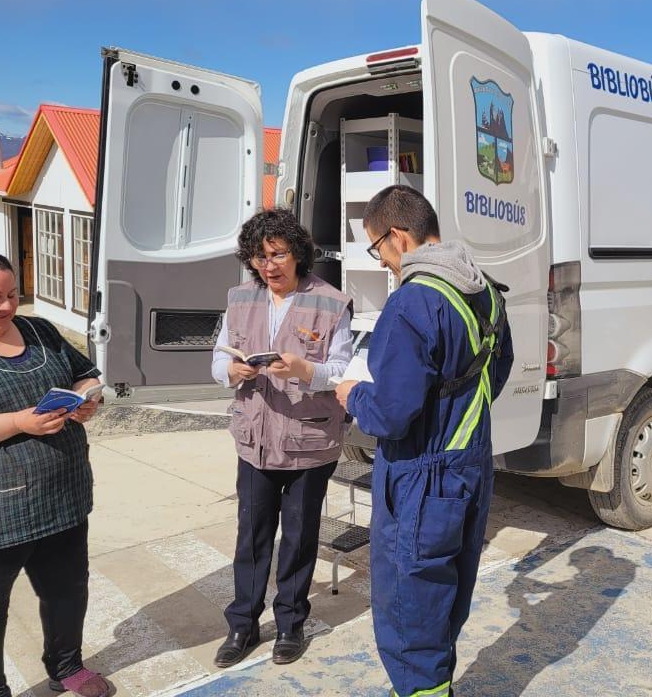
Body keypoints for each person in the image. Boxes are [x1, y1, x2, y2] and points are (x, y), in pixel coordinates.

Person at [335, 185, 513, 697]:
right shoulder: (484, 293)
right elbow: (493, 374)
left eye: (378, 249)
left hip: (420, 476)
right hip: (470, 464)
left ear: (398, 237)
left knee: (410, 607)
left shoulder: (412, 303)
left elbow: (391, 415)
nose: (383, 261)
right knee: (447, 595)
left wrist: (353, 396)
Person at [211, 209, 353, 668]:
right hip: (254, 440)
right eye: (259, 256)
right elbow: (218, 359)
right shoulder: (239, 298)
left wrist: (304, 369)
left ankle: (291, 624)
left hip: (309, 444)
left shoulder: (331, 302)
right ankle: (242, 625)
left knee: (298, 537)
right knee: (251, 537)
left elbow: (342, 372)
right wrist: (229, 370)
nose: (268, 265)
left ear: (298, 254)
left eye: (278, 254)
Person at [0, 253, 109, 697]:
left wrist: (85, 399)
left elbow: (84, 374)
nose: (4, 307)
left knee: (67, 589)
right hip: (1, 508)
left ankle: (67, 666)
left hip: (61, 494)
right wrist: (20, 423)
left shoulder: (40, 331)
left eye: (10, 296)